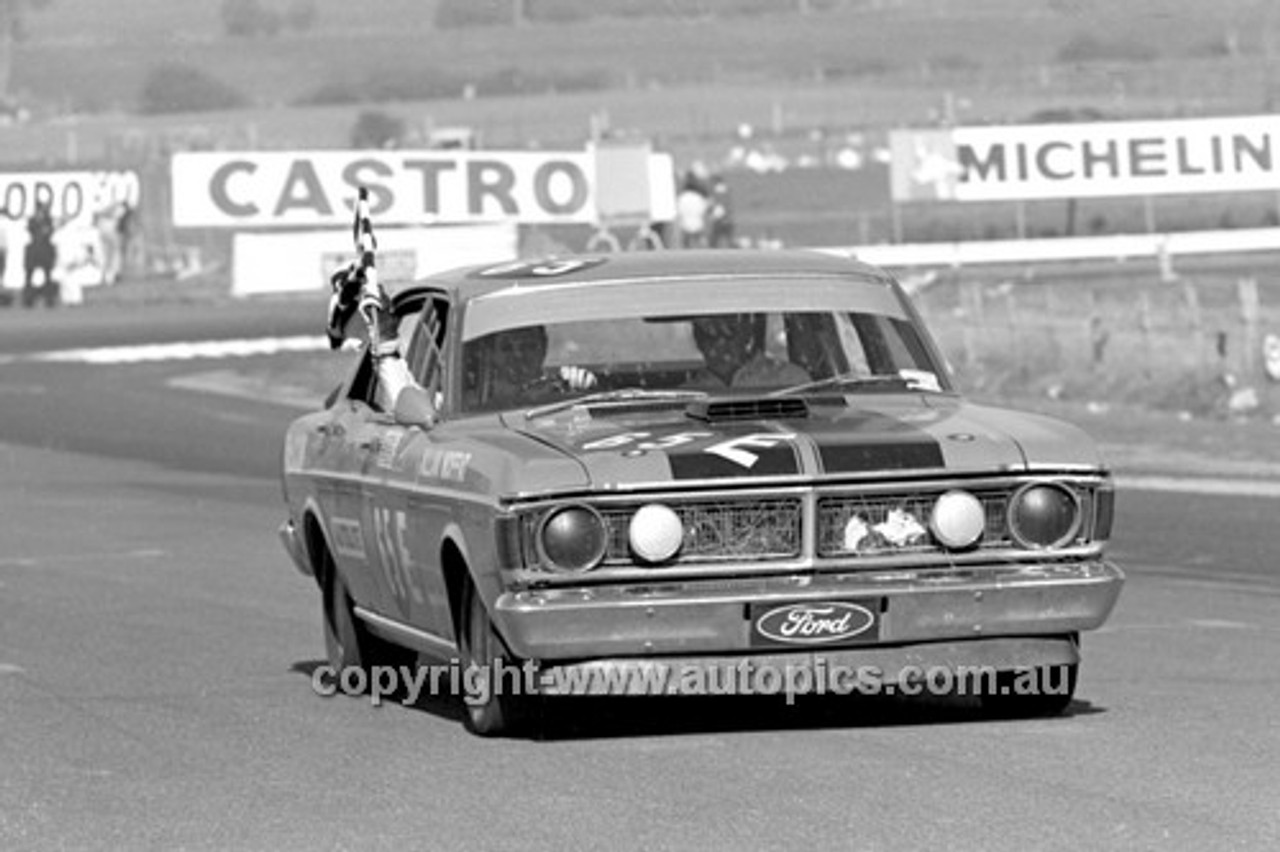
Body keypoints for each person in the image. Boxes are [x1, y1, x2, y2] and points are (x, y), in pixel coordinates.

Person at [464, 325, 596, 410]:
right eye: (507, 348)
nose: (518, 355)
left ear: (543, 348)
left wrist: (581, 384)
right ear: (492, 354)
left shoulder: (562, 388)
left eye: (528, 346)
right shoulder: (471, 404)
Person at [687, 314, 811, 390]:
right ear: (698, 342)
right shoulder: (686, 396)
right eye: (710, 336)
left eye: (729, 334)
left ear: (745, 334)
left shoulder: (791, 380)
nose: (721, 346)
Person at [23, 198, 59, 308]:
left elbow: (50, 232)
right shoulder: (32, 220)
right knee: (29, 277)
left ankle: (49, 299)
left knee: (48, 276)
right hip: (34, 251)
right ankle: (28, 300)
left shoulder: (48, 220)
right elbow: (31, 230)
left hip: (45, 251)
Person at [707, 176, 735, 248]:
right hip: (727, 220)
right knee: (728, 241)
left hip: (720, 220)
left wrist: (713, 216)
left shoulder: (717, 191)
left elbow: (718, 207)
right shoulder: (726, 191)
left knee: (713, 242)